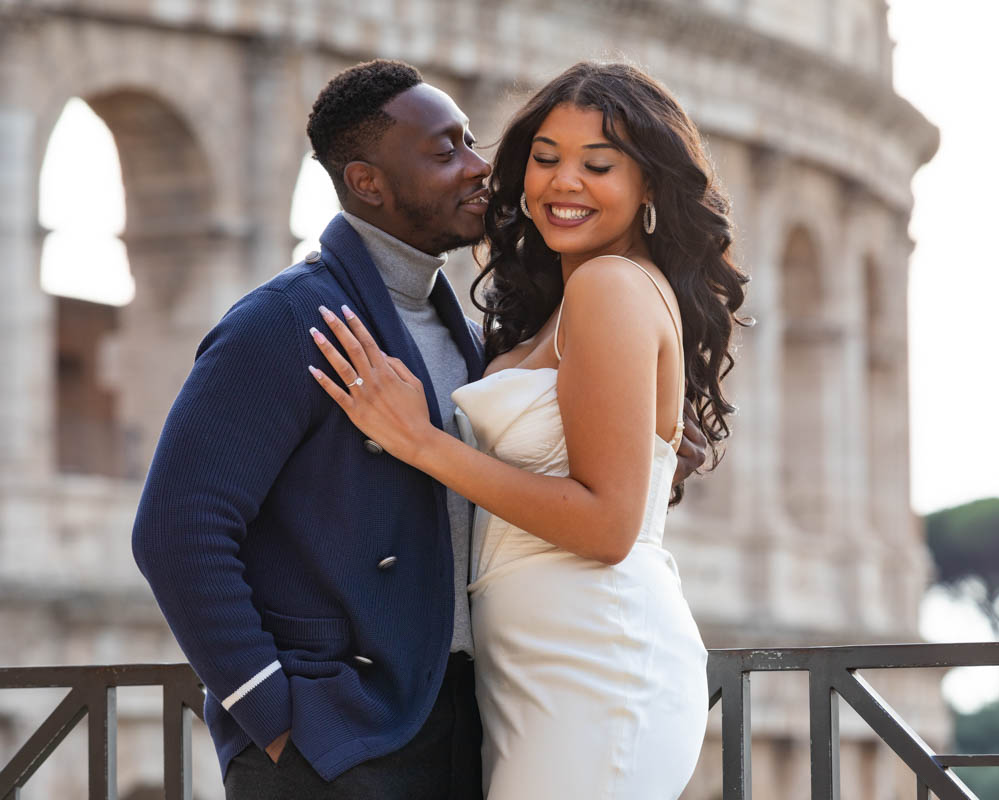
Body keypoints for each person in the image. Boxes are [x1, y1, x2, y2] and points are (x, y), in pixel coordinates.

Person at [131, 58, 707, 798]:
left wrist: (651, 450)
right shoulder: (286, 321)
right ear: (368, 182)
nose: (479, 168)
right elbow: (178, 527)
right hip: (338, 731)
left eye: (472, 141)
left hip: (470, 713)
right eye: (445, 152)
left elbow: (546, 493)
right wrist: (269, 711)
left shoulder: (471, 337)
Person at [307, 61, 748, 798]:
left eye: (598, 165)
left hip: (595, 661)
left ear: (650, 188)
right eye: (544, 159)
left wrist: (420, 441)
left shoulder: (610, 285)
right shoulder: (570, 299)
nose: (562, 182)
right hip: (537, 666)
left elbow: (606, 526)